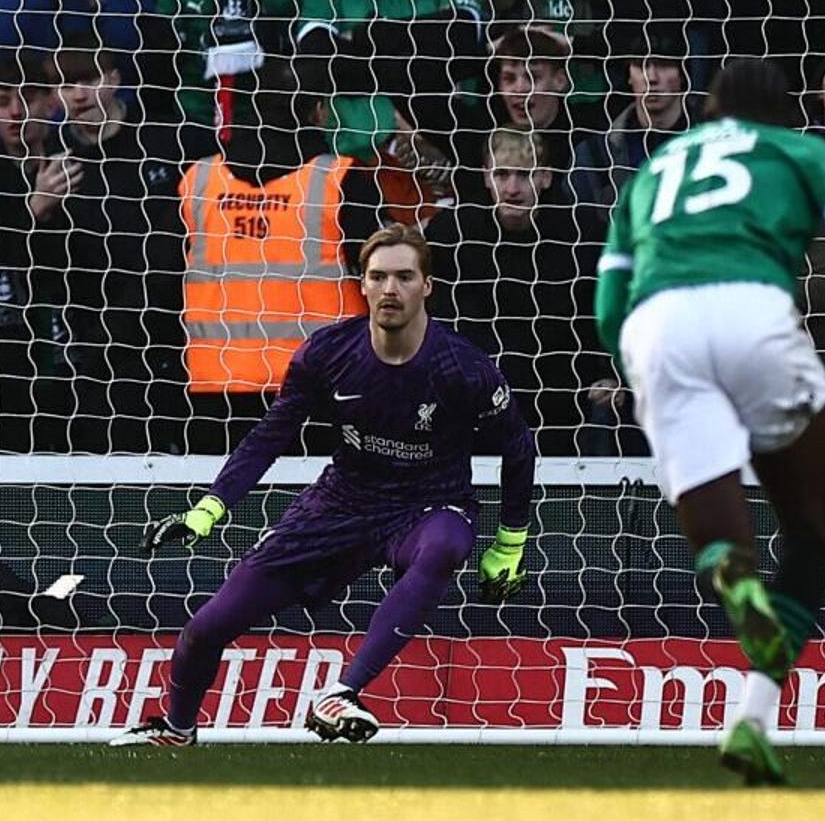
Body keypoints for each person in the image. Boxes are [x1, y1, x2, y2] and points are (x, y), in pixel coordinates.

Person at [114, 224, 536, 747]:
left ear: (427, 285)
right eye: (378, 276)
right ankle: (177, 729)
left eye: (404, 276)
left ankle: (342, 692)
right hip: (340, 502)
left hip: (428, 504)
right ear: (361, 283)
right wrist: (208, 507)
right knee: (209, 625)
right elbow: (271, 434)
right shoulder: (328, 353)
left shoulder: (465, 369)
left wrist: (509, 541)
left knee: (445, 545)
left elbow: (518, 449)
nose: (390, 289)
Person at [594, 57, 825, 785]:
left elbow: (609, 293)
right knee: (814, 531)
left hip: (656, 327)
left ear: (710, 109)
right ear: (785, 110)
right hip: (753, 310)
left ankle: (752, 712)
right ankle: (760, 690)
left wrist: (636, 370)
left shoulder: (660, 164)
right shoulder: (798, 148)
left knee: (719, 529)